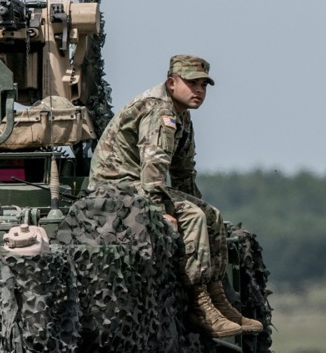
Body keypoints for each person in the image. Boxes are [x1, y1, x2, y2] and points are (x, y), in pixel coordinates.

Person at [88, 54, 263, 339]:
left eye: (204, 85)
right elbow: (153, 168)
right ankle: (198, 304)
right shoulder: (160, 110)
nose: (199, 91)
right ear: (172, 82)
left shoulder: (181, 114)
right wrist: (161, 209)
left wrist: (199, 206)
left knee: (210, 214)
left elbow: (184, 172)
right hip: (115, 186)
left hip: (138, 184)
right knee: (192, 217)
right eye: (192, 83)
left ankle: (217, 298)